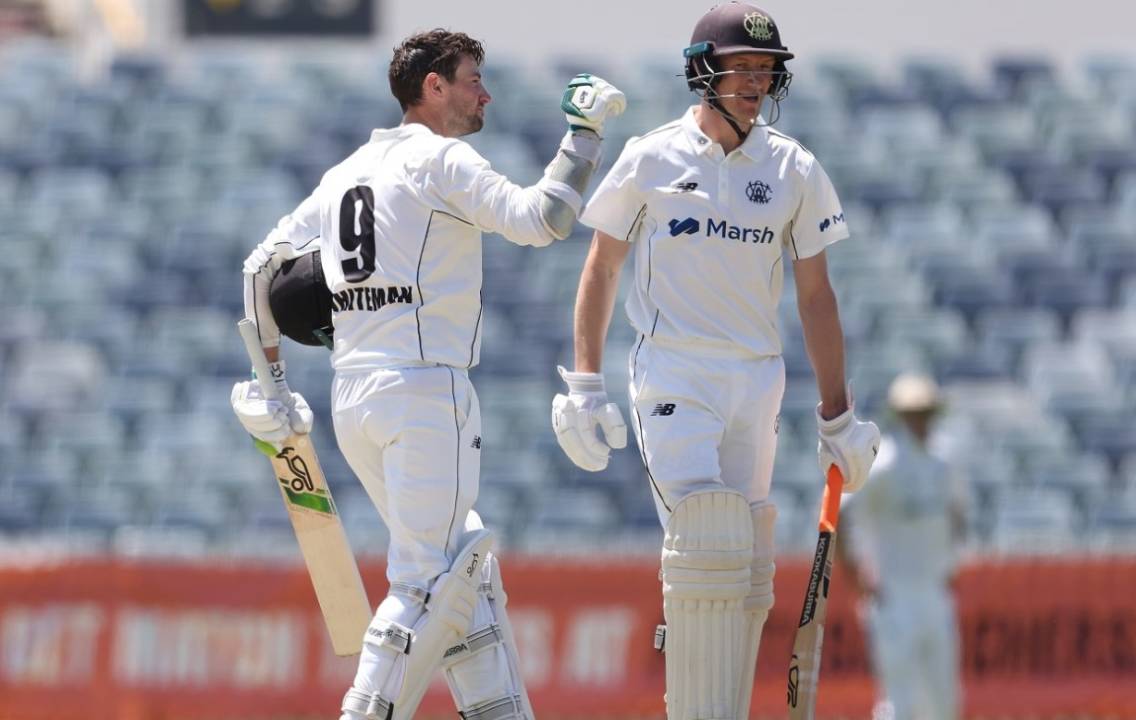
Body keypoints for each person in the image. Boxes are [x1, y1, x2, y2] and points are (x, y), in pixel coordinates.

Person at [229, 29, 625, 720]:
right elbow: (546, 218)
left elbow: (259, 269)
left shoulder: (344, 172)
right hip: (423, 392)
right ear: (433, 86)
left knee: (466, 571)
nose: (485, 92)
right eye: (473, 78)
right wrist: (584, 134)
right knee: (426, 584)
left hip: (355, 398)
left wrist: (274, 387)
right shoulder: (441, 162)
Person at [548, 4, 879, 718]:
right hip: (674, 370)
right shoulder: (651, 156)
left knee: (749, 564)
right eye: (743, 69)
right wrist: (584, 382)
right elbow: (601, 269)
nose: (757, 82)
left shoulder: (793, 168)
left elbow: (816, 298)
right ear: (705, 71)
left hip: (757, 378)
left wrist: (838, 414)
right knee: (707, 539)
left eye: (767, 70)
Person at [838, 373, 965, 720]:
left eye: (926, 412)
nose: (922, 421)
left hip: (934, 594)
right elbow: (840, 518)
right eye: (915, 413)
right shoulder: (882, 467)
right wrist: (859, 581)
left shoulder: (944, 462)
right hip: (894, 596)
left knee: (945, 702)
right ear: (900, 416)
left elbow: (957, 515)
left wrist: (949, 565)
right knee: (901, 702)